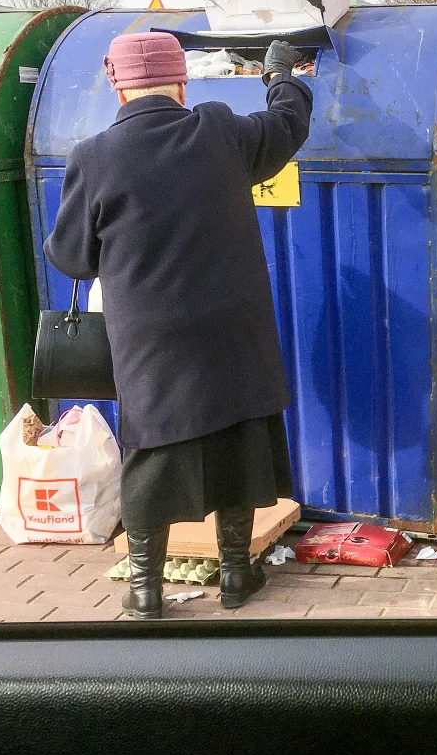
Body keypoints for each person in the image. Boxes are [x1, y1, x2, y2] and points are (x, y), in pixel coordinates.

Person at [44, 31, 312, 619]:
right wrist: (281, 77)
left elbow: (71, 257)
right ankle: (239, 575)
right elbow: (287, 126)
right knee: (236, 435)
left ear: (118, 85)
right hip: (231, 328)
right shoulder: (219, 130)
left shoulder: (93, 157)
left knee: (153, 448)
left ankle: (145, 590)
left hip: (151, 337)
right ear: (181, 81)